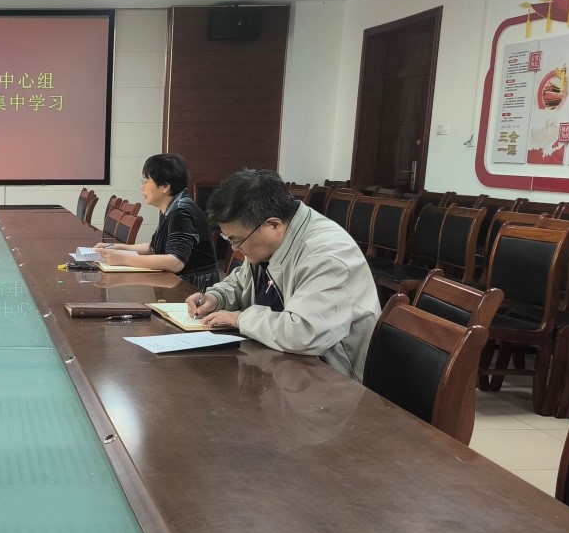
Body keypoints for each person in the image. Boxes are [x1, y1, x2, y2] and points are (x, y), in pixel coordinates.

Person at [184, 168, 380, 380]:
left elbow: (304, 333)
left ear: (273, 224)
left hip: (331, 379)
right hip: (279, 366)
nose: (234, 248)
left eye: (236, 240)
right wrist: (216, 297)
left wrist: (240, 318)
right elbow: (242, 282)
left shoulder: (327, 255)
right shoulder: (270, 240)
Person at [94, 154, 218, 288]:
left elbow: (175, 262)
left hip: (193, 287)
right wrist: (117, 248)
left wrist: (124, 259)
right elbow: (153, 248)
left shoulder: (181, 211)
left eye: (146, 181)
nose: (142, 187)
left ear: (165, 186)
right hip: (176, 281)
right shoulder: (172, 207)